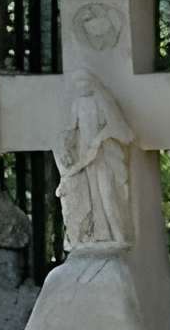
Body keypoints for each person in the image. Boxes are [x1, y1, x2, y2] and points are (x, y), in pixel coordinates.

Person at [54, 71, 135, 249]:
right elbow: (71, 128)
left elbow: (117, 127)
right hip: (86, 154)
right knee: (93, 197)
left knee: (107, 193)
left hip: (104, 154)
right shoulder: (77, 103)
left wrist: (100, 138)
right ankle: (100, 234)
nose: (81, 88)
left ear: (92, 83)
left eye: (85, 83)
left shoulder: (102, 101)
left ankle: (118, 234)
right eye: (79, 85)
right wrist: (66, 144)